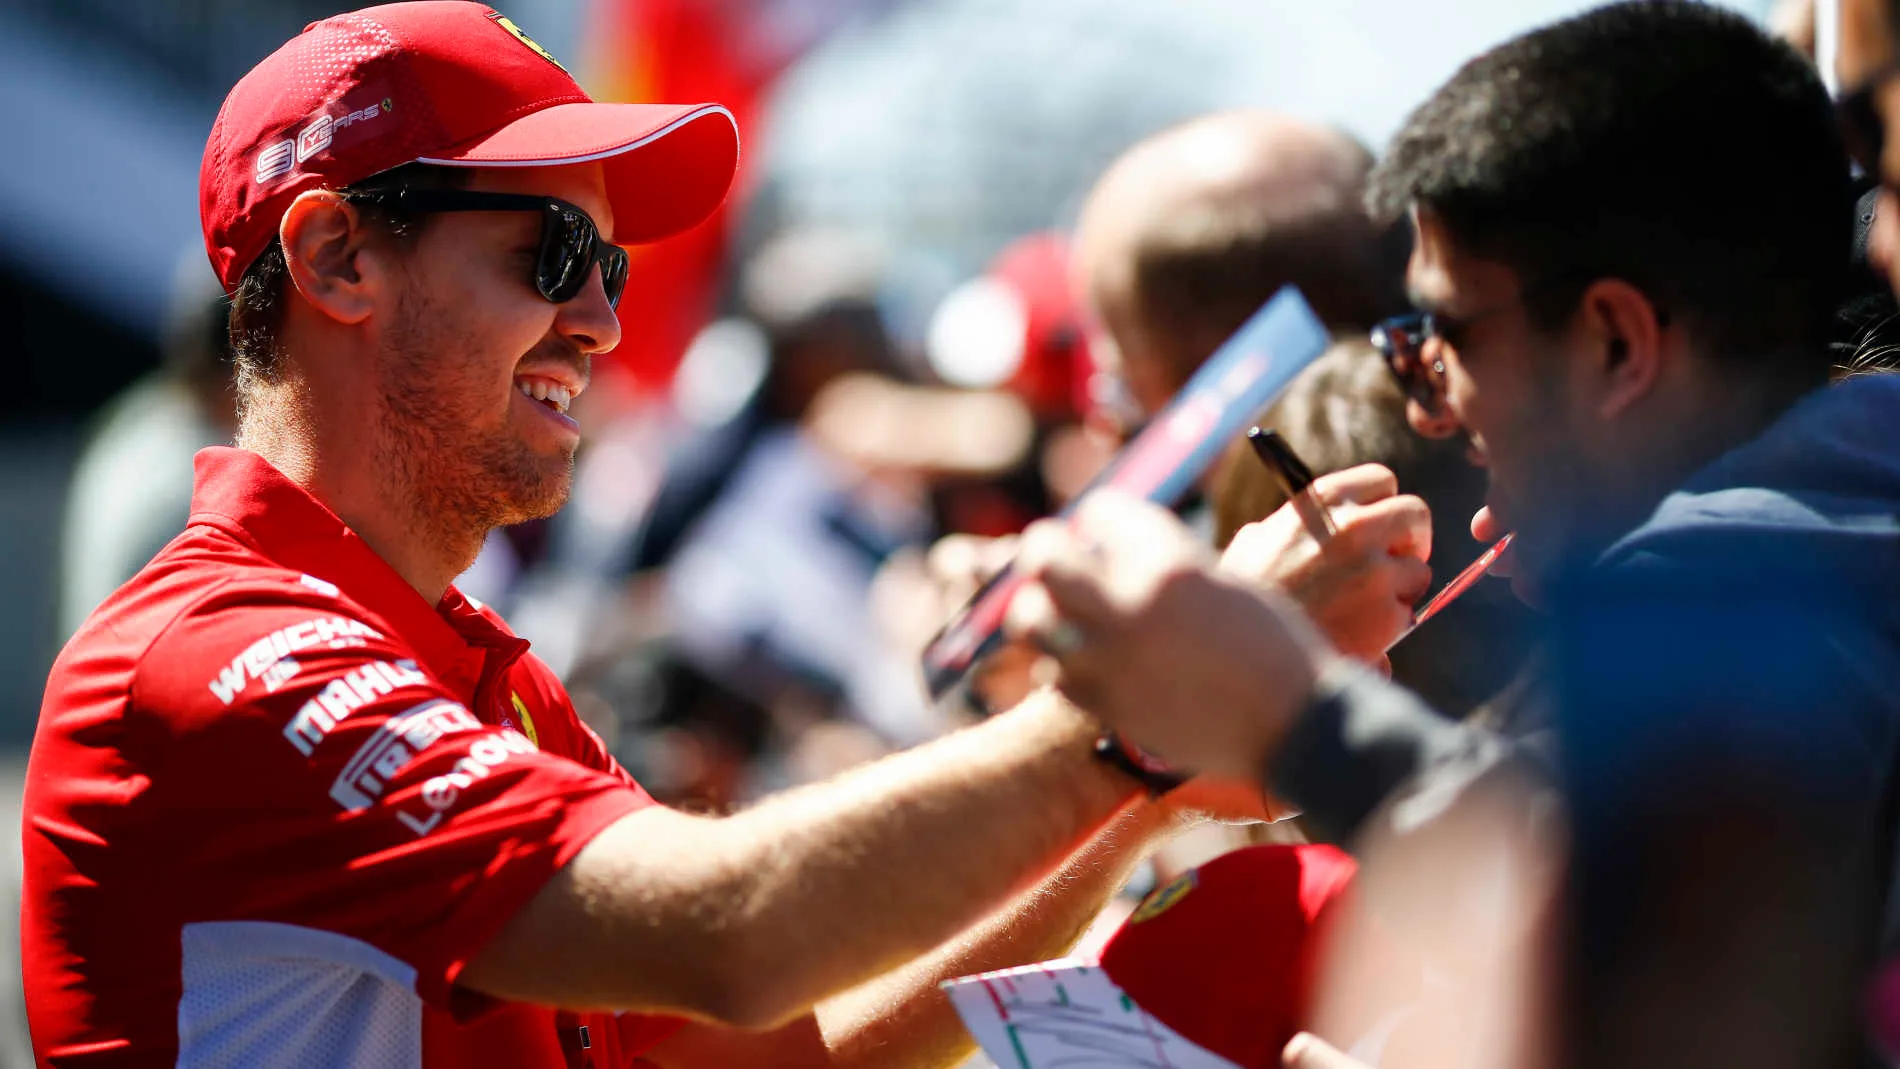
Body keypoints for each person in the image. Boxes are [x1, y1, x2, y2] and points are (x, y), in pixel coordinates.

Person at [20, 5, 1420, 1067]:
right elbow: (735, 932)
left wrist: (1141, 794)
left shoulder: (473, 666)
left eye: (610, 270)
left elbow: (767, 1048)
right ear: (336, 261)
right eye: (551, 258)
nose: (606, 321)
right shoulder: (216, 656)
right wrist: (1148, 715)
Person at [1009, 1, 1900, 1062]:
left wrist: (1288, 711)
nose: (1429, 400)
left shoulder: (1740, 577)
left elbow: (1599, 916)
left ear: (1614, 342)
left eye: (1445, 334)